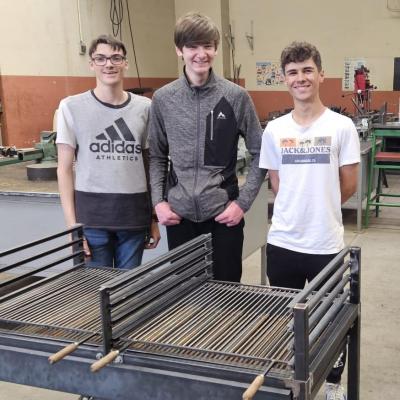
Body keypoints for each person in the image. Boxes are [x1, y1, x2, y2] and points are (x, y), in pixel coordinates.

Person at [259, 41, 360, 400]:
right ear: (284, 79)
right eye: (293, 72)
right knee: (286, 320)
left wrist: (322, 205)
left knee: (331, 321)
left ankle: (332, 383)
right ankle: (292, 381)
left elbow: (349, 184)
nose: (300, 78)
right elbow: (276, 183)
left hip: (325, 244)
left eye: (307, 70)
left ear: (321, 75)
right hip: (283, 243)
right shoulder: (274, 130)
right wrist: (299, 205)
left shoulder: (342, 126)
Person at [149, 12, 266, 282]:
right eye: (192, 46)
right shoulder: (163, 99)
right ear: (179, 50)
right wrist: (159, 203)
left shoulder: (236, 97)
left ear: (215, 49)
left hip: (224, 216)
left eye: (208, 46)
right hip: (179, 218)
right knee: (187, 292)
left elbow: (261, 153)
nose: (201, 54)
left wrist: (242, 204)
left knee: (226, 292)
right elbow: (156, 156)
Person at [57, 34, 160, 270]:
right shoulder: (71, 107)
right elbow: (63, 169)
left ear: (125, 63)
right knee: (96, 288)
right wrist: (72, 227)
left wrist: (153, 218)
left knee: (128, 288)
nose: (109, 64)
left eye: (116, 58)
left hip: (133, 219)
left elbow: (151, 166)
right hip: (92, 221)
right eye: (101, 58)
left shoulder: (145, 108)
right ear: (91, 64)